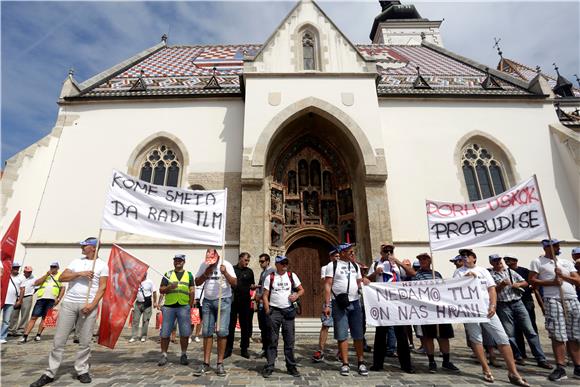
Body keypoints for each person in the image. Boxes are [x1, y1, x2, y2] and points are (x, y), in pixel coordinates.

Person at [30, 237, 108, 386]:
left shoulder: (102, 265)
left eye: (84, 246)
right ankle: (50, 372)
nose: (82, 248)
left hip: (88, 304)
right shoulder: (76, 262)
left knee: (85, 341)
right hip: (69, 303)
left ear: (93, 247)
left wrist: (92, 305)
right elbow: (63, 277)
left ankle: (82, 370)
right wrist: (80, 274)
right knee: (59, 340)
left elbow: (102, 287)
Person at [454, 249, 529, 386]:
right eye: (462, 256)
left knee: (502, 338)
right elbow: (455, 290)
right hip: (470, 312)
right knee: (476, 339)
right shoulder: (458, 272)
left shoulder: (483, 271)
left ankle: (513, 372)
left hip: (487, 310)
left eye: (466, 256)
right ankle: (485, 368)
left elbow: (491, 289)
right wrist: (465, 280)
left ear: (474, 258)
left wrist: (493, 305)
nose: (464, 258)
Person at [488, 254, 552, 369]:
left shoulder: (510, 272)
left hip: (518, 302)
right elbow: (492, 291)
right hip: (503, 305)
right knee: (510, 334)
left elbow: (526, 282)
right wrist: (501, 285)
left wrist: (518, 284)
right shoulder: (490, 275)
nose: (498, 262)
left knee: (530, 331)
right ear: (491, 263)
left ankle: (541, 358)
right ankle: (518, 356)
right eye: (495, 261)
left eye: (499, 260)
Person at [529, 239, 580, 381]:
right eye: (555, 245)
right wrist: (552, 282)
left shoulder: (566, 262)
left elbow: (577, 280)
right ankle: (560, 367)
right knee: (558, 334)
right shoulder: (537, 262)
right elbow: (532, 280)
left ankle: (578, 366)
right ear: (547, 247)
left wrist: (563, 276)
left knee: (575, 334)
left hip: (572, 299)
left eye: (558, 245)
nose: (558, 247)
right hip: (553, 299)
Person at [366, 243, 416, 373]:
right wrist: (375, 273)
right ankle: (378, 364)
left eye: (390, 251)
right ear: (381, 252)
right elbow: (367, 280)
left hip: (397, 303)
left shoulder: (397, 265)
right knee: (381, 334)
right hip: (383, 302)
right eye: (385, 251)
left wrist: (397, 261)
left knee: (401, 335)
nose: (388, 253)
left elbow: (412, 273)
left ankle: (406, 365)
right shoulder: (376, 264)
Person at [324, 243, 368, 377]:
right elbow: (327, 285)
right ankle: (345, 363)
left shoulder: (355, 266)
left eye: (353, 252)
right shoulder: (333, 265)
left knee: (358, 333)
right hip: (339, 303)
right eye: (350, 252)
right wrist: (327, 305)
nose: (353, 254)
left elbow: (359, 281)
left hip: (355, 302)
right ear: (342, 252)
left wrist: (365, 281)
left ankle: (361, 361)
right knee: (342, 333)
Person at [412, 253, 460, 373]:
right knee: (428, 337)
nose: (422, 261)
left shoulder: (437, 274)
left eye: (424, 259)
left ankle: (446, 361)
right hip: (427, 310)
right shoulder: (417, 275)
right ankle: (431, 361)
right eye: (420, 259)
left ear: (430, 261)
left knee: (444, 336)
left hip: (440, 310)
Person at [193, 248, 237, 377]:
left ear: (217, 257)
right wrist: (206, 273)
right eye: (209, 260)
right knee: (206, 332)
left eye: (213, 260)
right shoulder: (204, 265)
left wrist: (225, 273)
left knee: (222, 332)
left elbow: (235, 283)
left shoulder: (226, 264)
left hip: (223, 300)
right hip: (207, 301)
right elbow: (197, 282)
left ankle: (220, 363)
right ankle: (206, 363)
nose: (211, 262)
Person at [261, 255, 304, 378]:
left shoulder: (292, 276)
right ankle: (270, 366)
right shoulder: (270, 277)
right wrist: (267, 310)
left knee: (289, 341)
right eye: (282, 263)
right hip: (274, 312)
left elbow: (301, 290)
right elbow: (265, 295)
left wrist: (296, 295)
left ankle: (291, 366)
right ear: (277, 264)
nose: (285, 265)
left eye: (286, 262)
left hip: (288, 312)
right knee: (272, 341)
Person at [503, 254, 544, 358]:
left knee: (531, 328)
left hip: (526, 301)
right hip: (513, 302)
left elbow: (532, 284)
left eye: (509, 259)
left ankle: (538, 355)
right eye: (505, 259)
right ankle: (521, 353)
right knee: (516, 329)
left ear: (515, 260)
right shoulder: (505, 272)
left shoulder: (525, 271)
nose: (506, 261)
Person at [158, 254, 194, 367]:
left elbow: (192, 291)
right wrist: (169, 287)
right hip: (169, 306)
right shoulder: (167, 274)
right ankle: (164, 354)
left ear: (184, 262)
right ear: (173, 262)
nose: (178, 262)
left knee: (184, 332)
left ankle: (183, 354)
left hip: (183, 306)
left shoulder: (189, 275)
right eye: (176, 260)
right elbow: (161, 289)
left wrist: (190, 305)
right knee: (165, 332)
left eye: (180, 260)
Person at [20, 262, 65, 343]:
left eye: (54, 267)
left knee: (45, 318)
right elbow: (36, 283)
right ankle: (25, 336)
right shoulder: (46, 275)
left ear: (58, 268)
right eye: (51, 266)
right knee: (34, 317)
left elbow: (62, 288)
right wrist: (46, 275)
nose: (52, 268)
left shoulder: (60, 276)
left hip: (52, 299)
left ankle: (38, 335)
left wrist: (58, 299)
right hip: (41, 298)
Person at [226, 252, 255, 359]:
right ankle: (228, 349)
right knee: (230, 326)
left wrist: (253, 287)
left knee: (245, 326)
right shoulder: (232, 269)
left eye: (248, 261)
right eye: (245, 260)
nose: (247, 262)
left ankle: (244, 349)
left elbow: (252, 285)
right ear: (240, 259)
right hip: (233, 301)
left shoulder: (249, 271)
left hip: (245, 301)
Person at [313, 248, 339, 362]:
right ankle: (321, 350)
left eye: (338, 256)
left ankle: (340, 351)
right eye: (334, 256)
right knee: (325, 324)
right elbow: (325, 281)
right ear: (331, 257)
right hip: (330, 300)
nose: (337, 257)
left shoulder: (344, 267)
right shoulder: (326, 267)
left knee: (342, 326)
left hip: (342, 300)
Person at [255, 253, 275, 358]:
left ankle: (269, 350)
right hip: (261, 303)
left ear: (268, 261)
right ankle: (264, 348)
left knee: (268, 328)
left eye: (262, 261)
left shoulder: (272, 272)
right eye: (260, 261)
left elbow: (270, 289)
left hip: (267, 303)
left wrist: (261, 296)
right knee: (263, 327)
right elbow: (262, 286)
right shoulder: (264, 272)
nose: (260, 263)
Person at [130, 272, 158, 343]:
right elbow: (133, 292)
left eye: (144, 273)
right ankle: (134, 336)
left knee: (145, 321)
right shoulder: (136, 282)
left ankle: (143, 336)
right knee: (135, 320)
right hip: (138, 303)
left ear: (146, 274)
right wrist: (131, 302)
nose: (142, 274)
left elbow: (154, 292)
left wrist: (155, 302)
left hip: (147, 304)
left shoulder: (149, 282)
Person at [1, 262, 24, 343]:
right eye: (14, 267)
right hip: (1, 300)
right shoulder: (5, 276)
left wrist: (20, 300)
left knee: (6, 321)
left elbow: (22, 290)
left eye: (17, 268)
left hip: (11, 301)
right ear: (11, 268)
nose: (16, 269)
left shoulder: (21, 277)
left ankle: (2, 337)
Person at [9, 265, 35, 336]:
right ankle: (11, 329)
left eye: (30, 272)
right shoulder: (20, 277)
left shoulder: (34, 278)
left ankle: (21, 329)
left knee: (25, 314)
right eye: (27, 272)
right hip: (17, 297)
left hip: (27, 297)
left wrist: (31, 293)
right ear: (24, 271)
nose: (28, 273)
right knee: (14, 314)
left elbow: (37, 287)